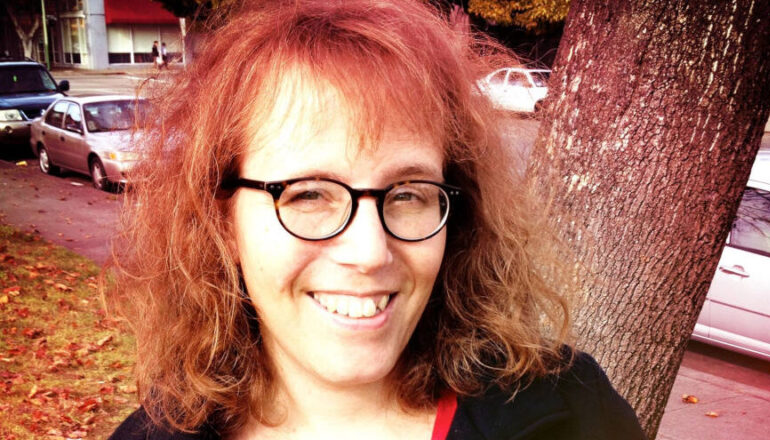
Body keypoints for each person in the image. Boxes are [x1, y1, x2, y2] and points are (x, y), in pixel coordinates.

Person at [107, 1, 647, 439]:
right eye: (309, 194)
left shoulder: (572, 415)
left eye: (408, 194)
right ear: (222, 220)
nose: (369, 252)